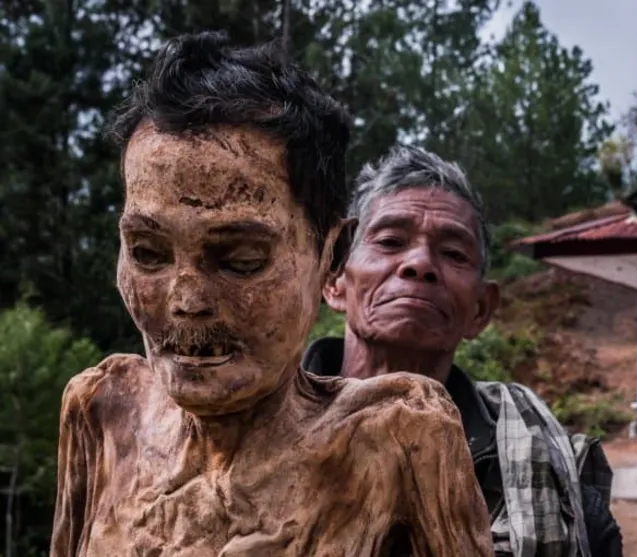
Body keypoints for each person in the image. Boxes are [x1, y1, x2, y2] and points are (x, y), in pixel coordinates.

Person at [49, 33, 496, 557]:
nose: (186, 299)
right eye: (148, 252)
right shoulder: (102, 412)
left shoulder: (398, 440)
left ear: (331, 255)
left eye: (240, 261)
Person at [303, 146, 624, 557]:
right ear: (334, 280)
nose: (420, 263)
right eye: (390, 241)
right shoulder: (239, 437)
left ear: (480, 309)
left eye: (453, 253)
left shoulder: (558, 483)